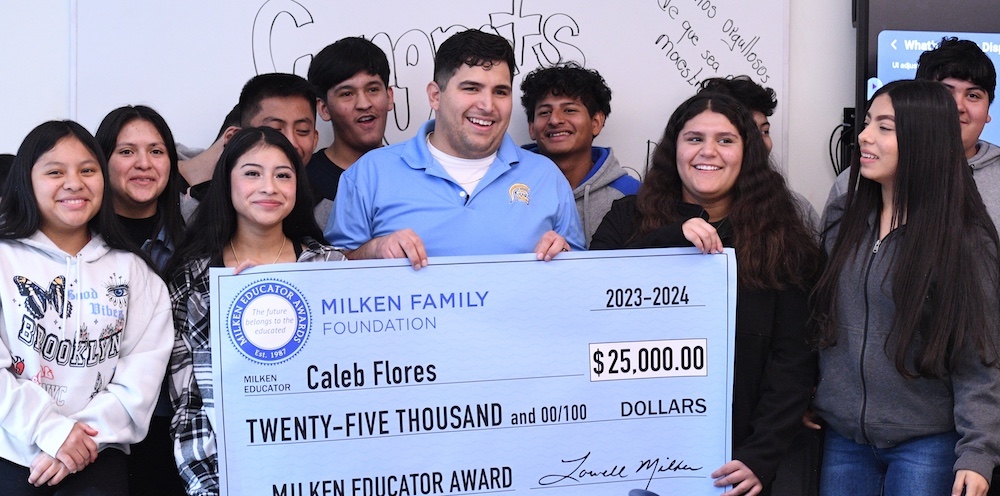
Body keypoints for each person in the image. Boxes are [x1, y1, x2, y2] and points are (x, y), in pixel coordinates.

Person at [590, 92, 822, 496]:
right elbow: (592, 305)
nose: (708, 152)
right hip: (628, 458)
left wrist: (760, 457)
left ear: (747, 153)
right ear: (673, 148)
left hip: (739, 465)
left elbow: (793, 361)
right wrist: (669, 239)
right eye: (694, 138)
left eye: (726, 140)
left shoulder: (783, 238)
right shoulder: (626, 218)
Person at [811, 80, 1000, 496]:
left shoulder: (966, 240)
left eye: (884, 126)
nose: (863, 135)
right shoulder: (843, 218)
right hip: (843, 439)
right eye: (866, 123)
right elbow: (819, 317)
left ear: (924, 140)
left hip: (927, 443)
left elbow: (981, 358)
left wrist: (979, 452)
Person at [167, 127, 344, 496]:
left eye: (283, 175)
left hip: (329, 468)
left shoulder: (331, 268)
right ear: (226, 182)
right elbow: (190, 406)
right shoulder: (194, 279)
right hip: (233, 477)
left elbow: (359, 383)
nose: (269, 187)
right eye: (252, 173)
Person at [0, 120, 173, 494]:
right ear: (26, 181)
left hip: (98, 454)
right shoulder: (3, 260)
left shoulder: (135, 273)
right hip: (11, 453)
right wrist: (51, 432)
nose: (74, 183)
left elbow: (139, 382)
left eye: (88, 170)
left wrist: (75, 443)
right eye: (55, 172)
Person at [327, 29, 584, 268]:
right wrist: (374, 249)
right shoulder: (369, 173)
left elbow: (583, 283)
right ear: (435, 96)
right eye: (471, 88)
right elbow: (329, 277)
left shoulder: (546, 177)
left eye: (500, 92)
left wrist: (566, 260)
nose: (487, 105)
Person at [94, 104, 188, 495]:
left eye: (156, 151)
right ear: (101, 161)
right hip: (93, 423)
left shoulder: (197, 236)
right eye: (127, 151)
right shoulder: (79, 243)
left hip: (174, 420)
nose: (143, 163)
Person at [823, 37, 999, 229]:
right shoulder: (855, 182)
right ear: (917, 102)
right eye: (944, 93)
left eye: (973, 96)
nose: (957, 106)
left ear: (988, 111)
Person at [520, 63, 639, 247]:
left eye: (569, 110)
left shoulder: (633, 195)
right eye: (544, 112)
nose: (555, 120)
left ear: (596, 122)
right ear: (531, 127)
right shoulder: (510, 188)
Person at [697, 75, 820, 232]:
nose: (760, 143)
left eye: (765, 131)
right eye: (750, 131)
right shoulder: (669, 210)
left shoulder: (794, 209)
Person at [306, 36, 394, 213]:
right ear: (323, 108)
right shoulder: (302, 182)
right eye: (347, 94)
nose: (364, 104)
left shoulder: (415, 172)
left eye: (373, 89)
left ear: (389, 97)